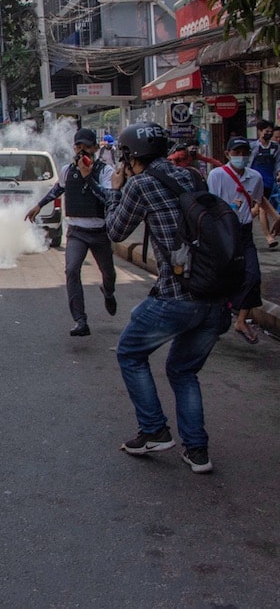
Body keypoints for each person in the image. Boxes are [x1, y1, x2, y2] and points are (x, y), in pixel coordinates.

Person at [105, 121, 230, 474]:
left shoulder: (140, 184)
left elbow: (114, 230)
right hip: (214, 296)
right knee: (183, 370)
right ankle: (197, 451)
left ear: (130, 156)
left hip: (175, 297)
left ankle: (154, 430)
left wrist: (117, 189)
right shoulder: (191, 176)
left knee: (130, 352)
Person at [25, 127, 116, 336]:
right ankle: (80, 320)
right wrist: (39, 205)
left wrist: (88, 177)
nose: (83, 151)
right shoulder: (67, 170)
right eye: (79, 146)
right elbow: (58, 189)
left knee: (108, 273)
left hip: (99, 231)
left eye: (87, 147)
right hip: (76, 231)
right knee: (72, 270)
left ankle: (109, 292)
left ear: (94, 148)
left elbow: (107, 198)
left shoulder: (105, 171)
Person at [206, 136, 265, 344]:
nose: (240, 157)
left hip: (245, 232)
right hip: (223, 231)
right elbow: (211, 204)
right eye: (236, 153)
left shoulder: (255, 177)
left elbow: (258, 199)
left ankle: (241, 320)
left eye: (243, 153)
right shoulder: (217, 175)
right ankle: (216, 316)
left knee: (253, 275)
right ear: (227, 154)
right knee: (221, 277)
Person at [250, 120, 280, 248]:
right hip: (256, 181)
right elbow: (249, 163)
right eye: (266, 131)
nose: (268, 133)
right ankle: (269, 237)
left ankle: (239, 221)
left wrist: (278, 173)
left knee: (257, 209)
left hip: (269, 181)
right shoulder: (254, 147)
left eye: (270, 131)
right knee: (262, 208)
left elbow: (278, 162)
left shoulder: (275, 147)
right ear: (259, 132)